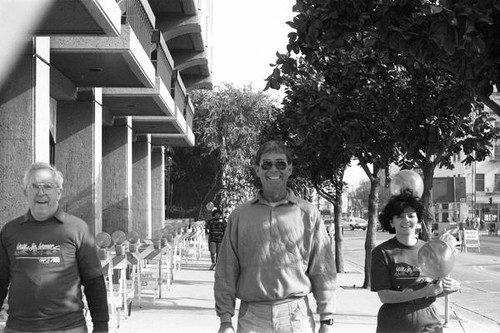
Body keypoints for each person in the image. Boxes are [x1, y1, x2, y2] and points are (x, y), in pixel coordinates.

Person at [214, 140, 336, 333]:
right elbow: (226, 270)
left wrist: (326, 319)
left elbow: (323, 268)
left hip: (296, 316)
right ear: (257, 170)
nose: (273, 169)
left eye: (280, 164)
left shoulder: (308, 214)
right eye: (267, 164)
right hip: (252, 317)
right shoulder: (239, 216)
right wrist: (225, 320)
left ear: (289, 169)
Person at [0, 162, 109, 332]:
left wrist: (101, 326)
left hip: (68, 327)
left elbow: (94, 280)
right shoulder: (10, 231)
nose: (41, 192)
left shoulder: (77, 228)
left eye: (48, 186)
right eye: (34, 186)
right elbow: (1, 280)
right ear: (25, 192)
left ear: (59, 192)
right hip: (18, 328)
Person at [371, 191, 460, 333]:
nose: (406, 220)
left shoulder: (430, 249)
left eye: (411, 215)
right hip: (394, 323)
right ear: (391, 222)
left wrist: (450, 288)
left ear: (418, 220)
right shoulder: (382, 252)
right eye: (399, 216)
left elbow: (434, 290)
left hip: (430, 322)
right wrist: (422, 293)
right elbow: (384, 296)